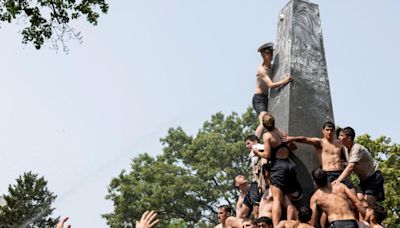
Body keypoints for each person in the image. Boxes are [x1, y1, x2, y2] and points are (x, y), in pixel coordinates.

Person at [254, 113, 302, 227]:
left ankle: (276, 226)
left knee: (276, 200)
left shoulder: (267, 136)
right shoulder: (282, 132)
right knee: (288, 201)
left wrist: (257, 152)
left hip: (278, 167)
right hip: (289, 166)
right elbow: (294, 147)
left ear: (264, 125)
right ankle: (290, 224)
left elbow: (267, 155)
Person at [283, 122, 354, 190]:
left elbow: (349, 150)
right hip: (328, 173)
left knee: (352, 190)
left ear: (334, 132)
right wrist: (292, 138)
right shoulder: (320, 142)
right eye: (327, 130)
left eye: (332, 130)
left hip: (340, 172)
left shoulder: (339, 143)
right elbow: (305, 139)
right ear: (323, 131)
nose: (329, 132)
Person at [336, 127, 385, 206]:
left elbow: (351, 166)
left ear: (349, 138)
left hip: (373, 177)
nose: (339, 137)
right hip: (363, 180)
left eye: (341, 135)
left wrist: (338, 180)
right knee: (359, 201)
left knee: (369, 205)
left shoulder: (357, 148)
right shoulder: (345, 148)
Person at [253, 42, 293, 138]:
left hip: (267, 98)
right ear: (263, 54)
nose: (271, 55)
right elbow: (270, 85)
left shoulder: (271, 66)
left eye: (272, 53)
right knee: (264, 121)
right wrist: (285, 81)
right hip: (259, 99)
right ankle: (253, 144)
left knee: (270, 123)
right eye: (269, 53)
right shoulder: (261, 70)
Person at [244, 134, 268, 215]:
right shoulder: (253, 151)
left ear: (254, 141)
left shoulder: (258, 147)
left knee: (256, 205)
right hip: (258, 182)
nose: (247, 146)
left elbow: (264, 148)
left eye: (248, 143)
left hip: (260, 182)